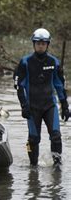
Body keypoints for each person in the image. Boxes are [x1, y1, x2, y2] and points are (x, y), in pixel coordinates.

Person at [15, 28, 69, 166]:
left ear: (47, 44)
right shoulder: (25, 62)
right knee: (33, 139)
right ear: (33, 44)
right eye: (38, 43)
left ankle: (57, 168)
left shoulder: (54, 62)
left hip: (50, 106)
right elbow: (19, 86)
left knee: (56, 136)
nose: (41, 45)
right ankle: (33, 168)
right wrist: (24, 105)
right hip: (32, 107)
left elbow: (59, 85)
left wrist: (65, 106)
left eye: (44, 43)